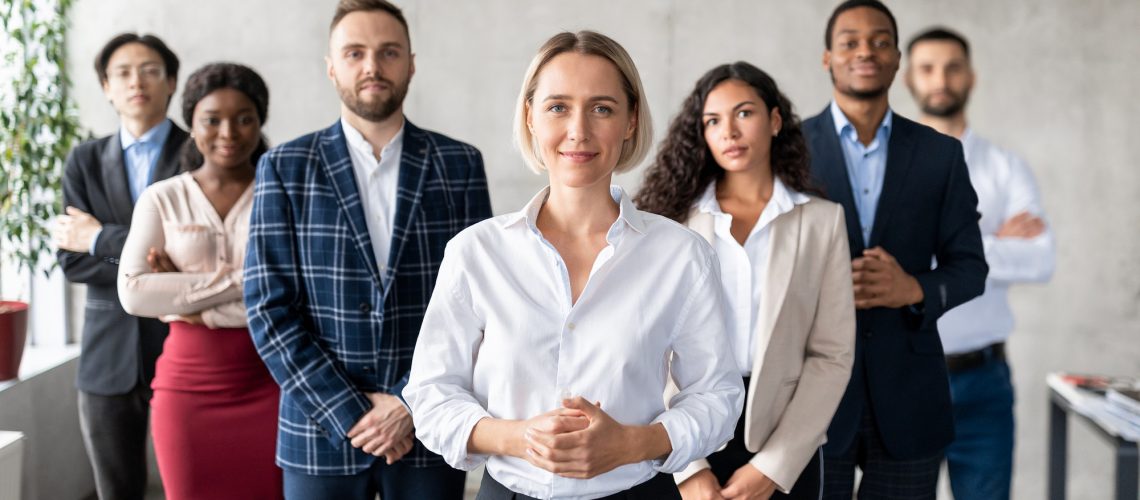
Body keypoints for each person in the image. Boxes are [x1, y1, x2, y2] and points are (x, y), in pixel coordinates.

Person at [404, 30, 744, 500]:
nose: (578, 131)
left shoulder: (682, 255)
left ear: (630, 121)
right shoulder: (475, 252)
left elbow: (717, 396)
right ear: (530, 118)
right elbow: (430, 395)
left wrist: (632, 443)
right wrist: (519, 437)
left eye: (602, 108)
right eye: (557, 107)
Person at [242, 1, 493, 498]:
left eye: (388, 52)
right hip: (319, 428)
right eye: (354, 53)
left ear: (411, 63)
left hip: (427, 427)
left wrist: (407, 403)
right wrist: (351, 411)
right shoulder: (284, 168)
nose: (372, 67)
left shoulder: (459, 164)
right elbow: (269, 309)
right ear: (331, 66)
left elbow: (478, 306)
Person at [636, 61, 856, 500]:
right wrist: (688, 467)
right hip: (680, 431)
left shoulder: (821, 222)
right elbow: (644, 346)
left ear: (774, 121)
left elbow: (831, 355)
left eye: (744, 113)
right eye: (713, 121)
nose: (729, 132)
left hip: (783, 438)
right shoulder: (668, 224)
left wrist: (773, 467)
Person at [800, 1, 989, 498]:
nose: (866, 51)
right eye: (851, 42)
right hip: (811, 402)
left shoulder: (939, 154)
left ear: (898, 58)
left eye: (881, 41)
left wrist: (913, 288)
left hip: (911, 399)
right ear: (827, 58)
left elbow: (970, 268)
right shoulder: (788, 150)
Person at [904, 27, 1055, 500]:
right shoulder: (891, 165)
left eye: (952, 67)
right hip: (907, 377)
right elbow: (881, 258)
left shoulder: (1005, 167)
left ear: (971, 77)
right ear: (908, 78)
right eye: (928, 68)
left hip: (984, 380)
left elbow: (1039, 259)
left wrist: (940, 249)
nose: (940, 79)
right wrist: (987, 239)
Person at [117, 62, 280, 500]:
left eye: (244, 118)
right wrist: (248, 283)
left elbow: (295, 294)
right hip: (186, 389)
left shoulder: (282, 194)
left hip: (272, 384)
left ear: (260, 121)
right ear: (191, 123)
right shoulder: (162, 198)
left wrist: (184, 291)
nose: (228, 132)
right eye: (212, 119)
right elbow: (134, 293)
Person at [53, 33, 185, 500]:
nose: (137, 82)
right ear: (106, 86)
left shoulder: (199, 153)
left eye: (150, 70)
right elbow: (71, 260)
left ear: (171, 82)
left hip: (183, 344)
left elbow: (195, 258)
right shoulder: (84, 161)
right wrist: (151, 262)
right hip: (106, 355)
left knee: (191, 486)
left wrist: (99, 239)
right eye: (123, 73)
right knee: (116, 491)